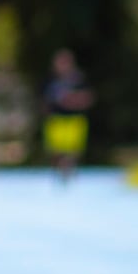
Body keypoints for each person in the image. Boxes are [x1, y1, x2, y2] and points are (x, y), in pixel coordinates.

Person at [42, 49, 94, 185]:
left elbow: (88, 97)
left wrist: (72, 100)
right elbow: (44, 100)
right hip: (56, 119)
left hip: (74, 119)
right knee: (56, 151)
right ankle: (60, 172)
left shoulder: (79, 79)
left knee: (73, 151)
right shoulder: (50, 79)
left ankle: (69, 171)